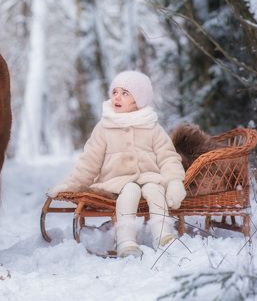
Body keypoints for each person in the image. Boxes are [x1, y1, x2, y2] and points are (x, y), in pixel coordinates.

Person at [48, 71, 186, 258]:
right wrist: (71, 185)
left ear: (138, 100)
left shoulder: (152, 126)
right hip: (116, 181)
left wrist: (175, 181)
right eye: (114, 92)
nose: (117, 97)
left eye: (125, 93)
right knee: (130, 190)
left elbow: (168, 157)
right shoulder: (105, 126)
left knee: (155, 189)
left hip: (148, 177)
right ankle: (126, 240)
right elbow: (89, 161)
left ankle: (163, 235)